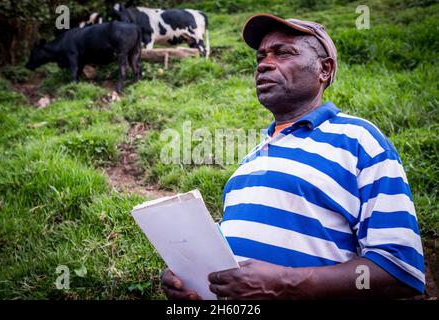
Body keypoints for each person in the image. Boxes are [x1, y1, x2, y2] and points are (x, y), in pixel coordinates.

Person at [161, 13, 425, 299]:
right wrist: (191, 277)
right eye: (260, 56)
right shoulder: (250, 159)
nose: (264, 63)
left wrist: (284, 283)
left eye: (283, 52)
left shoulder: (360, 139)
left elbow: (401, 270)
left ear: (324, 69)